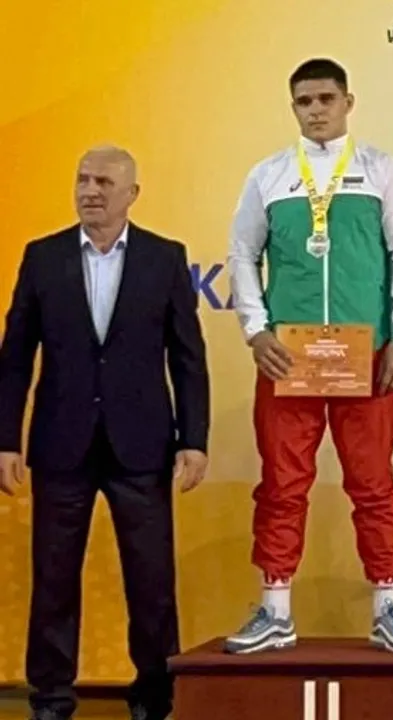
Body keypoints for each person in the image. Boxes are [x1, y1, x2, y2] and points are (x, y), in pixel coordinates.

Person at [0, 146, 210, 720]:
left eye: (104, 182)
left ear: (132, 194)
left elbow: (187, 358)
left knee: (151, 583)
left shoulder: (164, 258)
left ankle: (154, 695)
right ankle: (51, 698)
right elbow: (15, 357)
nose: (90, 191)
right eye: (83, 180)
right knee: (53, 582)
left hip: (141, 446)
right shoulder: (42, 257)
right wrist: (6, 439)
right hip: (60, 445)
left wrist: (194, 439)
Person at [225, 57, 393, 654]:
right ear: (293, 107)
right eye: (304, 101)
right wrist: (255, 329)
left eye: (326, 99)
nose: (316, 110)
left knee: (373, 482)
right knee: (282, 484)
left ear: (347, 102)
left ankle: (388, 606)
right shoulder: (268, 175)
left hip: (368, 356)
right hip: (289, 358)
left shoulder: (381, 170)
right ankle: (275, 608)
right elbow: (241, 255)